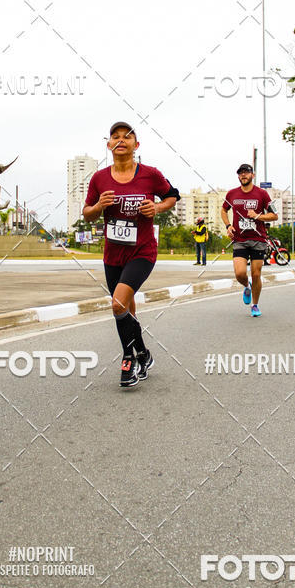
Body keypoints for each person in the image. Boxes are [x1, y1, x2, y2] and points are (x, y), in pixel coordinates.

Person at [83, 122, 180, 388]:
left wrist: (157, 208)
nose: (121, 140)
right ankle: (143, 353)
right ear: (108, 144)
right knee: (125, 308)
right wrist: (99, 205)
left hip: (142, 251)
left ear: (136, 145)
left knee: (117, 304)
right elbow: (87, 212)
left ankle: (128, 359)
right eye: (115, 136)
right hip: (113, 255)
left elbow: (173, 196)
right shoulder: (99, 178)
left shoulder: (150, 174)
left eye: (127, 136)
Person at [221, 163, 278, 317]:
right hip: (240, 239)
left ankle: (255, 305)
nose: (243, 175)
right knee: (240, 273)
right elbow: (223, 210)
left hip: (258, 239)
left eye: (246, 173)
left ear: (253, 175)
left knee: (256, 274)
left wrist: (258, 216)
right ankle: (247, 285)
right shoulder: (232, 194)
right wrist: (228, 226)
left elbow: (274, 215)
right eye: (240, 173)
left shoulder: (262, 194)